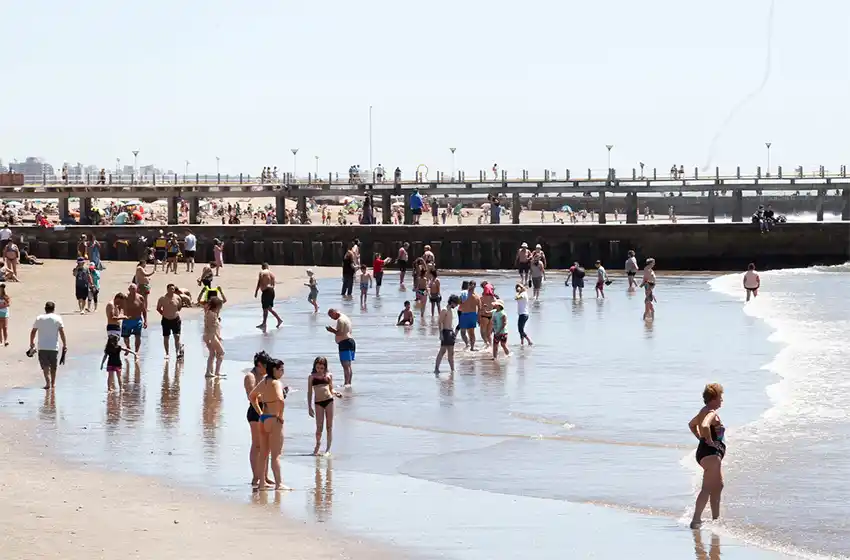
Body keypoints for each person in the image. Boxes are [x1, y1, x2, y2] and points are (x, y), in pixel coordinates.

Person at [689, 383, 727, 529]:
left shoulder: (701, 412)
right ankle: (696, 520)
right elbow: (704, 425)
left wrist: (700, 438)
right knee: (707, 488)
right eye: (720, 397)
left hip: (704, 453)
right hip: (711, 454)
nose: (722, 400)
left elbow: (691, 425)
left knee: (718, 486)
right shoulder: (711, 413)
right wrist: (709, 441)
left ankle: (716, 520)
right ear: (714, 398)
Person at [248, 357, 287, 491]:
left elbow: (252, 396)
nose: (283, 372)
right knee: (276, 455)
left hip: (263, 418)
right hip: (274, 418)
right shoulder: (276, 383)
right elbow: (281, 400)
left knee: (263, 453)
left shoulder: (264, 381)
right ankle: (279, 483)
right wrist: (280, 416)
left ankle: (262, 483)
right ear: (274, 370)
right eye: (281, 369)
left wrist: (259, 412)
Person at [245, 351, 273, 488]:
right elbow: (252, 396)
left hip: (267, 411)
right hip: (255, 412)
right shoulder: (250, 376)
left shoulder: (266, 375)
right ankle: (256, 477)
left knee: (266, 446)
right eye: (266, 365)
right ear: (259, 364)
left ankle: (265, 476)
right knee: (257, 444)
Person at [307, 356, 342, 456]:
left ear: (325, 367)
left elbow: (331, 389)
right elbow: (309, 392)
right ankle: (317, 444)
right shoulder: (312, 377)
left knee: (329, 426)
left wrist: (336, 393)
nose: (320, 370)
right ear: (315, 366)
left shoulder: (328, 375)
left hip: (329, 401)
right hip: (318, 403)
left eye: (322, 368)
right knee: (319, 427)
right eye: (318, 367)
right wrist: (309, 407)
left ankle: (328, 449)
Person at [29, 301, 66, 390]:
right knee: (53, 366)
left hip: (42, 346)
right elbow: (62, 332)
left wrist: (31, 342)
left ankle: (47, 382)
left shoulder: (39, 318)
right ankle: (53, 383)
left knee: (45, 366)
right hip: (54, 347)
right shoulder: (58, 318)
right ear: (54, 309)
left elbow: (33, 331)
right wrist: (65, 344)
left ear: (45, 308)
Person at [326, 309, 355, 387]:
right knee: (348, 365)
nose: (332, 318)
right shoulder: (345, 317)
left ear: (335, 313)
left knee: (345, 365)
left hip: (344, 343)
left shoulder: (340, 320)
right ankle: (349, 383)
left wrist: (331, 330)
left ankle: (346, 384)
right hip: (351, 341)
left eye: (331, 316)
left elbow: (340, 332)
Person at [156, 283, 185, 359]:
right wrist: (164, 314)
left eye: (173, 289)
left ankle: (177, 352)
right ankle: (167, 353)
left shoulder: (177, 298)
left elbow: (179, 307)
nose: (172, 290)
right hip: (166, 320)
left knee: (177, 336)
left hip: (175, 319)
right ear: (167, 289)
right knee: (166, 337)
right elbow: (158, 308)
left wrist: (174, 312)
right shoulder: (162, 298)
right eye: (170, 289)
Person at [434, 294, 459, 374]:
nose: (456, 306)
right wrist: (441, 334)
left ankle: (452, 370)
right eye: (456, 304)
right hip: (445, 332)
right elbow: (440, 322)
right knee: (442, 351)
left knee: (451, 353)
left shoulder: (450, 310)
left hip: (450, 333)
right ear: (452, 302)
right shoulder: (444, 310)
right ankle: (436, 368)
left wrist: (453, 333)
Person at [255, 263, 283, 331]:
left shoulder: (262, 272)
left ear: (262, 267)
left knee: (265, 308)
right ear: (268, 267)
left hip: (266, 291)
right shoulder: (272, 274)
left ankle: (264, 324)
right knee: (269, 308)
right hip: (272, 291)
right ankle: (279, 320)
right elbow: (273, 285)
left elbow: (259, 281)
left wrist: (256, 291)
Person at [122, 283, 147, 353]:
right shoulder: (125, 298)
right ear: (128, 290)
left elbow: (144, 310)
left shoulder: (140, 298)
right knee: (125, 336)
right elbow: (118, 306)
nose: (132, 290)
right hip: (127, 320)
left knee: (138, 336)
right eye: (131, 289)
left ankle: (136, 352)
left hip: (137, 320)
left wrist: (145, 321)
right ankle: (128, 347)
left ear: (137, 290)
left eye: (134, 289)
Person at [204, 297, 225, 377]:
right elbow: (212, 327)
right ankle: (215, 372)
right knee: (221, 352)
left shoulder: (210, 313)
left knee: (212, 353)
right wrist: (218, 336)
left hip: (209, 335)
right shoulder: (212, 315)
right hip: (211, 336)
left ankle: (210, 372)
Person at [457, 281, 480, 350]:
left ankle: (469, 345)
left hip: (467, 314)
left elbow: (459, 303)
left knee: (467, 332)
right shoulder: (476, 296)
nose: (472, 286)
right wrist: (478, 318)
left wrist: (478, 318)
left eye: (472, 285)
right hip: (470, 315)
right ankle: (470, 346)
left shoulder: (465, 295)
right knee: (468, 333)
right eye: (471, 285)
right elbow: (480, 308)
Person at [479, 282, 497, 348]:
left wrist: (478, 317)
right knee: (489, 334)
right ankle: (490, 346)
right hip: (491, 317)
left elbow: (479, 308)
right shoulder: (494, 298)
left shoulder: (482, 298)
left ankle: (487, 344)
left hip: (484, 316)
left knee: (482, 332)